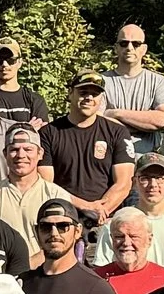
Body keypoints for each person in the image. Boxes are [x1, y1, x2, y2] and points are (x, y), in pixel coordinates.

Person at [40, 71, 135, 219]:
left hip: (106, 217)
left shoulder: (118, 132)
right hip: (63, 217)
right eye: (83, 92)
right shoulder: (48, 133)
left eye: (95, 94)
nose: (89, 98)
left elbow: (124, 183)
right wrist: (85, 207)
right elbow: (46, 184)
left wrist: (101, 211)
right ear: (70, 93)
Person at [0, 127, 74, 269]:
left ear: (40, 153)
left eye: (28, 149)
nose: (21, 155)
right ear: (5, 154)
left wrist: (25, 266)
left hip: (45, 273)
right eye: (14, 149)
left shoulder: (56, 195)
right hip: (3, 275)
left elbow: (63, 242)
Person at [100, 23, 164, 158]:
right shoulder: (101, 82)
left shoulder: (159, 82)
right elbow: (97, 123)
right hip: (110, 158)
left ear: (144, 49)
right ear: (116, 48)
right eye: (124, 43)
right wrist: (143, 123)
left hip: (149, 161)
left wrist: (115, 113)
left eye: (136, 44)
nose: (129, 48)